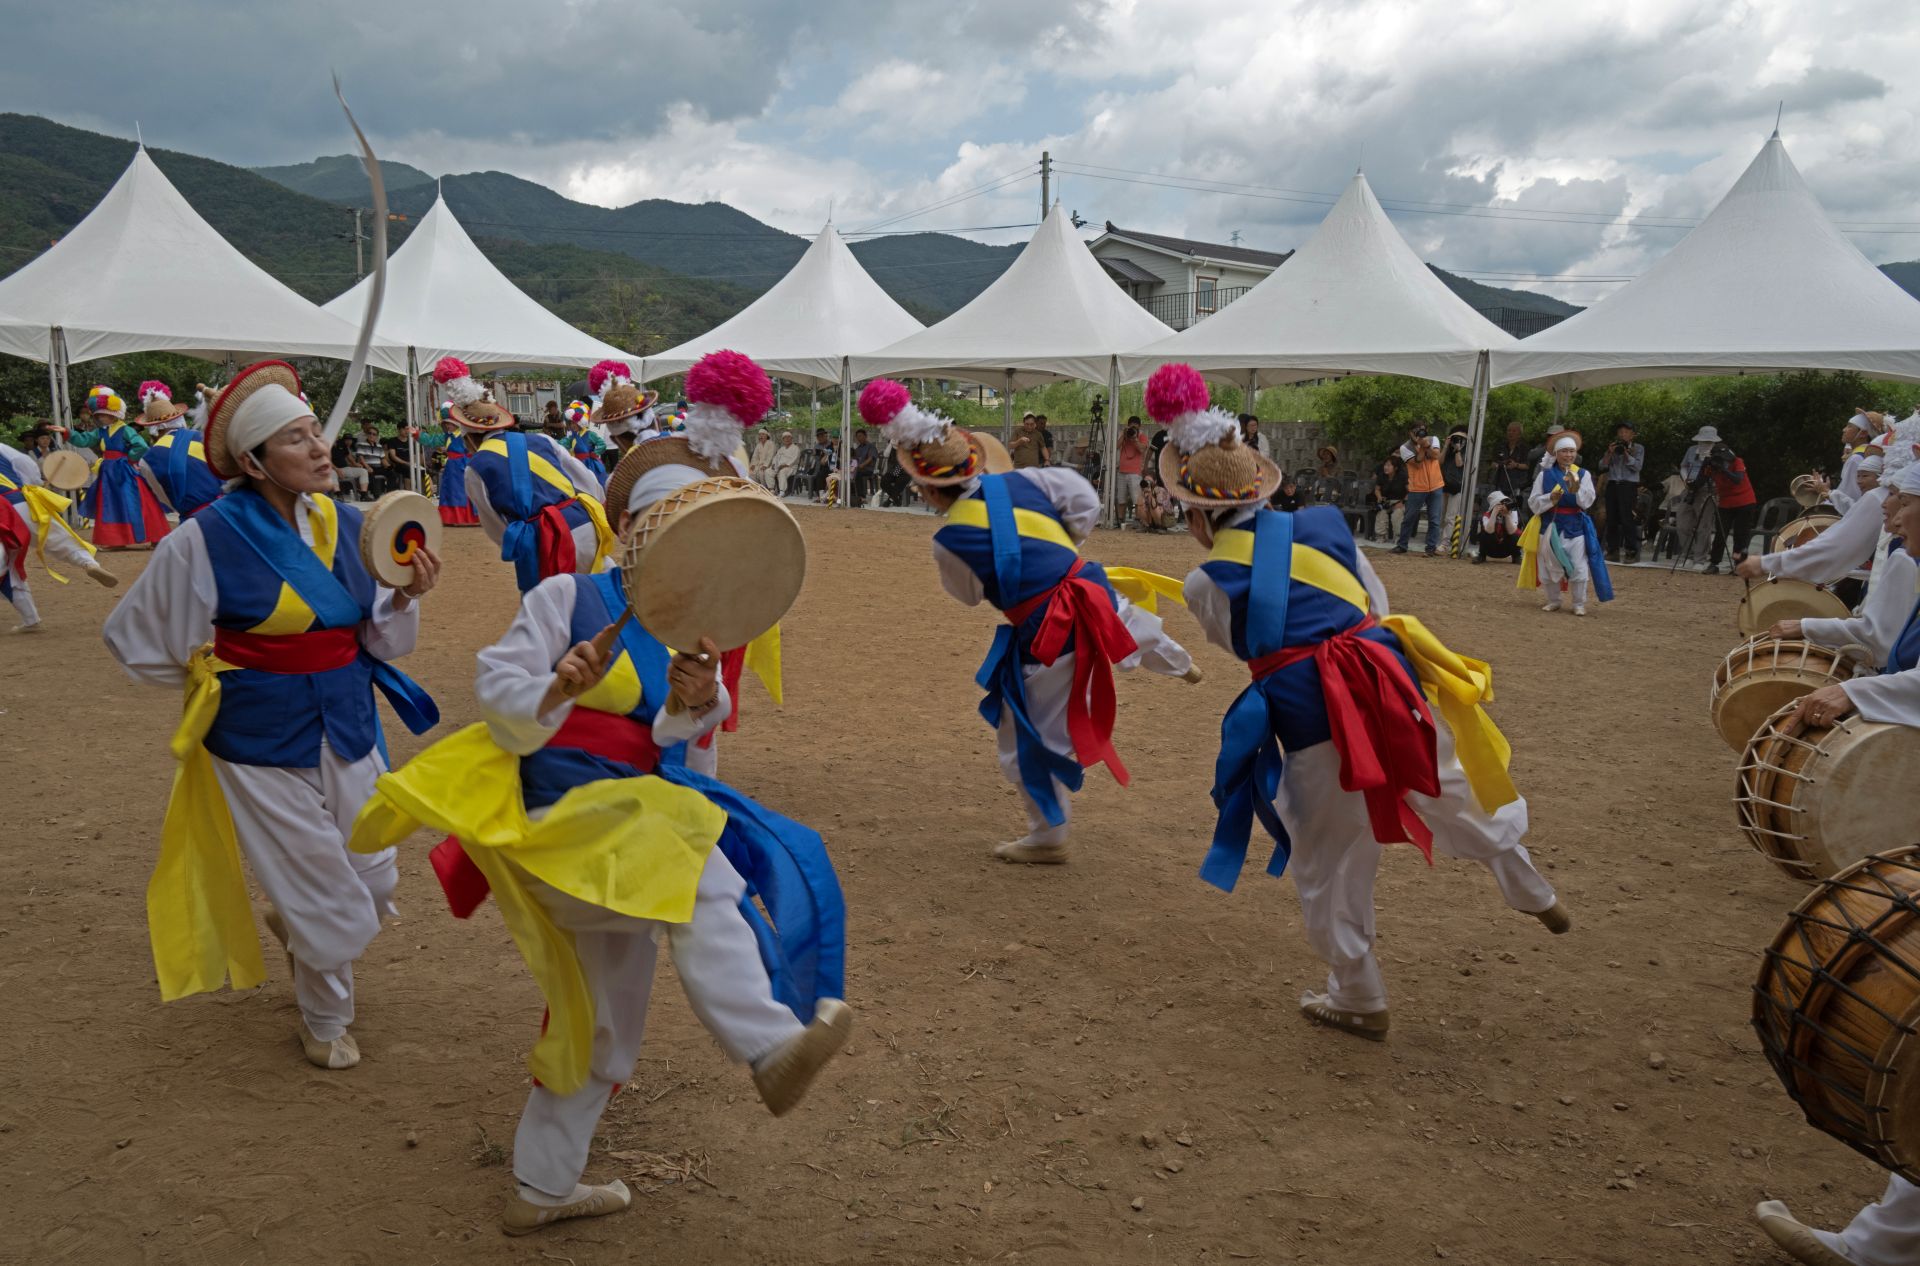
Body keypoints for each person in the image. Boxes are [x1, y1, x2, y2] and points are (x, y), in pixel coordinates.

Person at [346, 428, 850, 1235]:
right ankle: (767, 1046)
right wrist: (556, 687)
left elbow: (674, 749)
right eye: (676, 535)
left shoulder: (687, 631)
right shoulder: (565, 599)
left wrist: (694, 701)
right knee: (700, 867)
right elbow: (499, 697)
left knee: (606, 1018)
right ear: (638, 534)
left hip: (618, 840)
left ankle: (542, 1186)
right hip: (557, 828)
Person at [1151, 361, 1567, 1042]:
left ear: (1196, 515)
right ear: (1260, 486)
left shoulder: (1207, 578)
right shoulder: (1326, 524)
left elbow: (1245, 645)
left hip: (1311, 713)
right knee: (1445, 781)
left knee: (1327, 858)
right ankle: (1526, 882)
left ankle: (1358, 994)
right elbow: (1374, 602)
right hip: (1384, 677)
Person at [100, 359, 441, 1071]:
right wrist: (214, 680)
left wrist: (406, 597)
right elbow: (133, 638)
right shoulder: (204, 538)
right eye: (296, 438)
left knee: (375, 876)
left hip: (348, 719)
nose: (320, 448)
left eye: (316, 431)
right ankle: (325, 1020)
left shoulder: (351, 525)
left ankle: (297, 921)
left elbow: (379, 639)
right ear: (254, 462)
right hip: (256, 738)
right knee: (326, 892)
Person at [860, 376, 1198, 865]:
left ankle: (1048, 835)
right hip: (1087, 584)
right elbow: (1084, 501)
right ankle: (1179, 661)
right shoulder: (1030, 481)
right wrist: (1060, 545)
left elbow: (968, 595)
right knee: (1123, 616)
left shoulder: (950, 541)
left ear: (930, 490)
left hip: (1047, 630)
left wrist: (1016, 563)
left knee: (1025, 736)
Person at [1751, 461, 1920, 1266]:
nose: (1890, 511)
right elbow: (1884, 643)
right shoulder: (1909, 564)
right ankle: (1880, 1245)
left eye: (1904, 498)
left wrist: (1860, 695)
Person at [440, 356, 612, 593]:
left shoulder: (476, 467)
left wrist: (520, 546)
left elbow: (494, 524)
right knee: (602, 593)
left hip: (545, 540)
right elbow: (585, 479)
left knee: (551, 606)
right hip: (584, 523)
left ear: (468, 437)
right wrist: (592, 508)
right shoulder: (541, 440)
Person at [1, 438, 118, 630]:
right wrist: (34, 483)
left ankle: (30, 619)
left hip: (3, 511)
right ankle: (88, 563)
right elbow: (24, 463)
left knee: (8, 568)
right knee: (58, 538)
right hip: (18, 501)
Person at [1522, 432, 1613, 615]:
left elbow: (1587, 502)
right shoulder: (1544, 475)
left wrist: (1576, 489)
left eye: (1572, 451)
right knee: (1548, 564)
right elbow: (1533, 502)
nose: (1568, 455)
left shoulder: (1583, 474)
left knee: (1579, 565)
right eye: (1564, 451)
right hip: (1549, 525)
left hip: (1575, 526)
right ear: (1556, 453)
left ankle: (1579, 603)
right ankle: (1553, 600)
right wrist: (1550, 498)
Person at [71, 385, 169, 548]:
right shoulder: (101, 431)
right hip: (108, 472)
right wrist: (67, 433)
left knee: (135, 501)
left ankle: (155, 536)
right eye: (99, 415)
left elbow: (141, 446)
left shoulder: (126, 430)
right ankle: (116, 540)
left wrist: (129, 458)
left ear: (113, 415)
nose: (100, 418)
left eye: (104, 415)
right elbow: (85, 440)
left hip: (124, 471)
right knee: (111, 504)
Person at [136, 386, 223, 522]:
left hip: (196, 522)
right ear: (178, 418)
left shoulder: (147, 460)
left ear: (151, 428)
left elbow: (166, 500)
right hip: (232, 509)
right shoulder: (204, 436)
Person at [1684, 426, 1759, 573]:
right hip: (1725, 503)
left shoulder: (1737, 461)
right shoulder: (1710, 464)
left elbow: (1738, 479)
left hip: (1745, 502)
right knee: (1720, 534)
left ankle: (1739, 565)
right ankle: (1714, 564)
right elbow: (1701, 480)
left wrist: (1723, 470)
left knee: (1740, 535)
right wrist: (1693, 484)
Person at [1393, 427, 1445, 556]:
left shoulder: (1433, 439)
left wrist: (1426, 445)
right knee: (1409, 517)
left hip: (1436, 485)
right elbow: (1418, 464)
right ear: (1410, 432)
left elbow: (1436, 456)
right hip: (1417, 487)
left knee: (1434, 519)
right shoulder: (1405, 447)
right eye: (1415, 431)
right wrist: (1421, 447)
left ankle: (1431, 548)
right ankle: (1402, 545)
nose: (1419, 434)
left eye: (1422, 430)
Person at [1601, 422, 1645, 563]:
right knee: (1611, 518)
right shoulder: (1613, 447)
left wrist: (1626, 453)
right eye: (1620, 432)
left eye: (1626, 432)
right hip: (1613, 484)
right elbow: (1602, 466)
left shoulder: (1638, 448)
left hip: (1628, 485)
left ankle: (1631, 552)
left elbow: (1637, 467)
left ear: (1633, 434)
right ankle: (1612, 551)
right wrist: (1609, 453)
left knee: (1627, 518)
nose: (1623, 434)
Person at [432, 407, 480, 526]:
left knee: (464, 491)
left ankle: (467, 518)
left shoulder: (465, 435)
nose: (447, 426)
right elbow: (431, 440)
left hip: (463, 465)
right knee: (451, 491)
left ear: (456, 424)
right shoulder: (447, 436)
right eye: (446, 424)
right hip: (452, 468)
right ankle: (451, 519)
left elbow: (473, 449)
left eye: (449, 423)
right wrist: (417, 434)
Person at [562, 400, 608, 495]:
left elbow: (602, 444)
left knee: (592, 487)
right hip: (576, 464)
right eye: (571, 423)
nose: (572, 426)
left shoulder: (590, 434)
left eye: (574, 423)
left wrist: (595, 453)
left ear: (580, 422)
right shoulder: (572, 437)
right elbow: (562, 443)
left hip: (589, 465)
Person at [1474, 491, 1522, 565]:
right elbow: (1489, 531)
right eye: (1501, 503)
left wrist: (1507, 515)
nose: (1504, 505)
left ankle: (1516, 556)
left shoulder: (1512, 514)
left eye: (1505, 502)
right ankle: (1481, 556)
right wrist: (1494, 513)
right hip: (1491, 550)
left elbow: (1512, 532)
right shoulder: (1487, 515)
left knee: (1516, 535)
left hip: (1506, 550)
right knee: (1484, 533)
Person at [1367, 455, 1406, 541]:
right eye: (1385, 465)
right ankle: (1381, 536)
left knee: (1397, 514)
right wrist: (1379, 497)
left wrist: (1402, 502)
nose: (1385, 467)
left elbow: (1410, 492)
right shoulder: (1381, 476)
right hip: (1385, 501)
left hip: (1399, 502)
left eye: (1389, 465)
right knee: (1381, 513)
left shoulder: (1403, 477)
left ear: (1395, 468)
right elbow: (1377, 489)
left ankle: (1398, 537)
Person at [1491, 422, 1532, 503]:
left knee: (1513, 507)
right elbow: (1492, 463)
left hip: (1517, 484)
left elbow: (1527, 465)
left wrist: (1516, 465)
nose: (1510, 433)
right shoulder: (1501, 446)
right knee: (1499, 505)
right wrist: (1496, 465)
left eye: (1514, 431)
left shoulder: (1525, 448)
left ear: (1519, 434)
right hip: (1501, 482)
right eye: (1509, 430)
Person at [1116, 417, 1146, 524]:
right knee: (1121, 498)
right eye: (1131, 427)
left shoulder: (1142, 436)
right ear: (1128, 426)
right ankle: (1120, 520)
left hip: (1135, 472)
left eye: (1135, 427)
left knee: (1136, 499)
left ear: (1139, 427)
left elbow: (1142, 449)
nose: (1133, 429)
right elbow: (1116, 446)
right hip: (1122, 471)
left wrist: (1135, 439)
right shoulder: (1124, 435)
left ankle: (1137, 520)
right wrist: (1124, 435)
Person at [849, 427, 878, 506]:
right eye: (857, 437)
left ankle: (862, 496)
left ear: (865, 436)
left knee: (857, 473)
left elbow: (870, 458)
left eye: (860, 436)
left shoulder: (871, 446)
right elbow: (854, 458)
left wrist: (861, 465)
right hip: (859, 469)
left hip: (868, 469)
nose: (859, 438)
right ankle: (853, 494)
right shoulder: (858, 448)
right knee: (850, 473)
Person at [771, 430, 801, 495]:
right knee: (768, 471)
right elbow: (776, 457)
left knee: (782, 472)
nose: (787, 439)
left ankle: (782, 491)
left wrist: (786, 465)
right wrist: (773, 464)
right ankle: (771, 489)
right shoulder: (781, 449)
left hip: (791, 467)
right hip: (779, 467)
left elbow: (795, 459)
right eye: (785, 437)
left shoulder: (795, 448)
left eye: (788, 437)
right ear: (783, 440)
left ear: (791, 439)